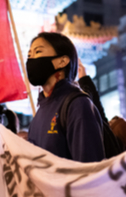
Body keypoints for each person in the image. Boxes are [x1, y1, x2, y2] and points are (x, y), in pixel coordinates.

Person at [26, 32, 105, 162]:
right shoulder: (40, 111)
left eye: (38, 52)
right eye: (29, 55)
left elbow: (88, 167)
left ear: (62, 61)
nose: (31, 60)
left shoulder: (77, 105)